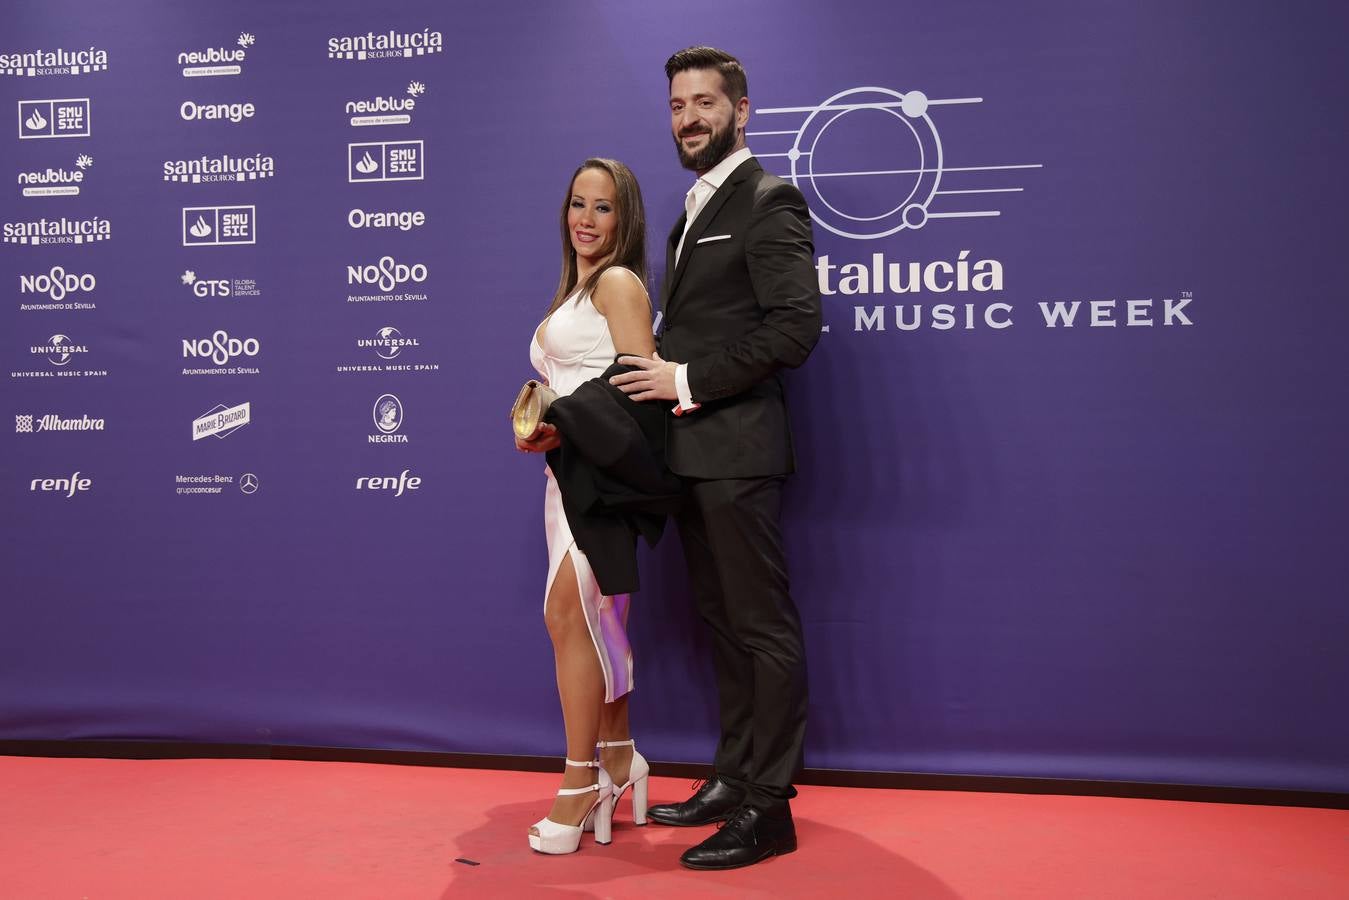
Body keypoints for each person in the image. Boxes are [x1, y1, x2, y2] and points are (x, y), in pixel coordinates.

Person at [610, 46, 822, 870]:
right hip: (694, 457)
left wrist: (683, 377)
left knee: (761, 629)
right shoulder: (693, 206)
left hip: (738, 452)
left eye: (704, 102)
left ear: (742, 111)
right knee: (724, 628)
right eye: (676, 105)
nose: (688, 117)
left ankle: (770, 807)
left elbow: (791, 330)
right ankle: (733, 780)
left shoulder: (768, 200)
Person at [517, 158, 657, 855]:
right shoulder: (573, 291)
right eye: (578, 203)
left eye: (603, 208)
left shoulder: (619, 283)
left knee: (570, 617)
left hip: (600, 478)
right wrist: (547, 426)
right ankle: (621, 755)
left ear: (624, 218)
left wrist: (566, 423)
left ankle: (581, 784)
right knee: (590, 620)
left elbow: (639, 385)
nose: (586, 219)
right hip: (565, 475)